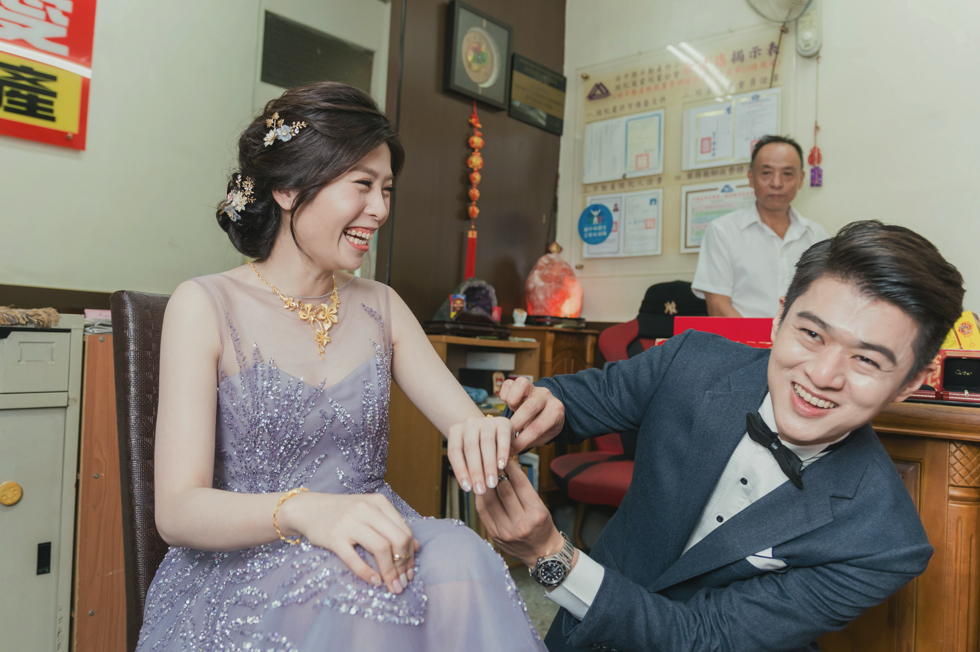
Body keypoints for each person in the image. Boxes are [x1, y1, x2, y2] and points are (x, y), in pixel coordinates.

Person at [138, 82, 546, 651]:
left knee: (462, 553)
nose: (379, 209)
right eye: (362, 185)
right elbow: (178, 510)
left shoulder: (382, 305)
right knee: (366, 591)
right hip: (249, 562)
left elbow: (465, 422)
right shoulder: (205, 304)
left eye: (386, 189)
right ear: (287, 189)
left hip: (372, 543)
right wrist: (306, 513)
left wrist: (489, 431)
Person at [468, 221, 964, 652]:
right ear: (779, 318)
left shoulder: (884, 542)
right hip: (581, 634)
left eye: (867, 360)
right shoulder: (692, 361)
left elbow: (705, 638)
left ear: (911, 382)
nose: (822, 375)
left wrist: (550, 556)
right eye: (812, 334)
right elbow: (583, 397)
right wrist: (545, 405)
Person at [692, 135, 830, 318]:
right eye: (766, 173)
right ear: (751, 177)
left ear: (801, 179)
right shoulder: (723, 231)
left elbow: (826, 300)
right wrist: (755, 337)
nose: (777, 183)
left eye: (787, 174)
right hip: (741, 336)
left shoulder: (817, 235)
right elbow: (718, 306)